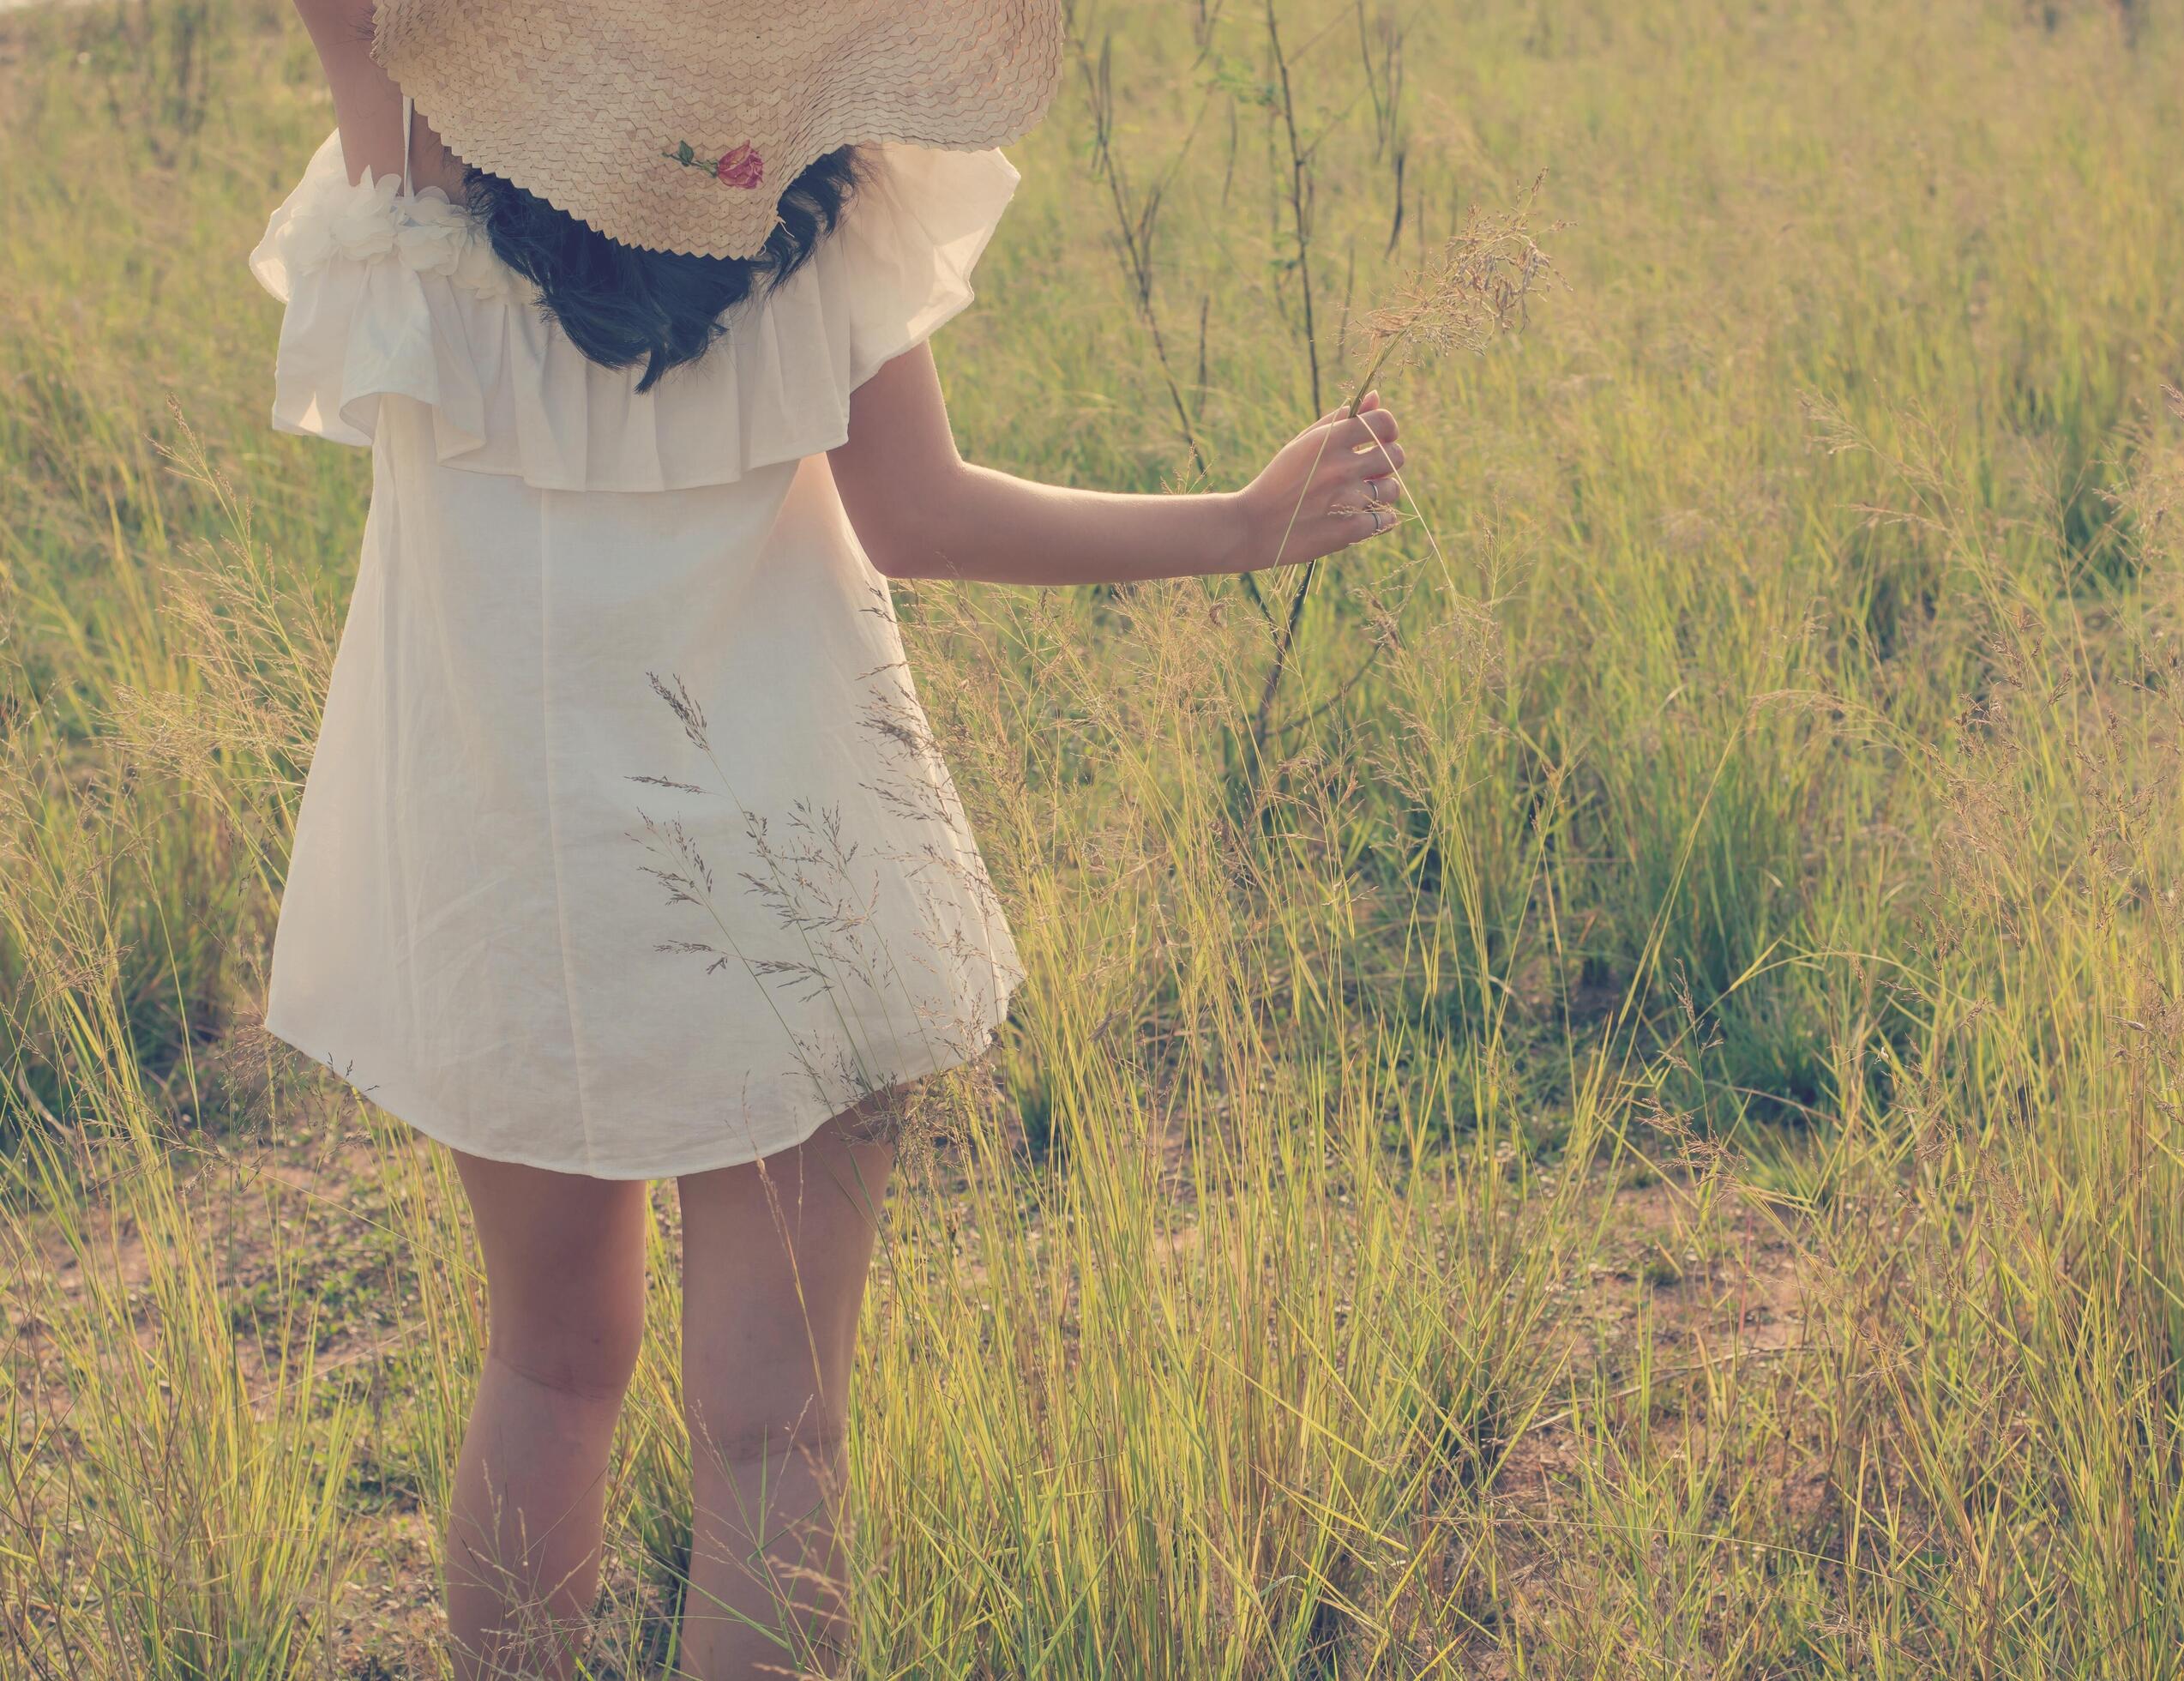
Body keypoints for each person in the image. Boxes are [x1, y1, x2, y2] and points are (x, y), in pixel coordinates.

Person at [255, 1, 1407, 1673]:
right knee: (775, 1435)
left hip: (504, 871)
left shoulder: (422, 147)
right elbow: (919, 516)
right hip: (787, 867)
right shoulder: (816, 194)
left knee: (548, 1365)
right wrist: (1238, 522)